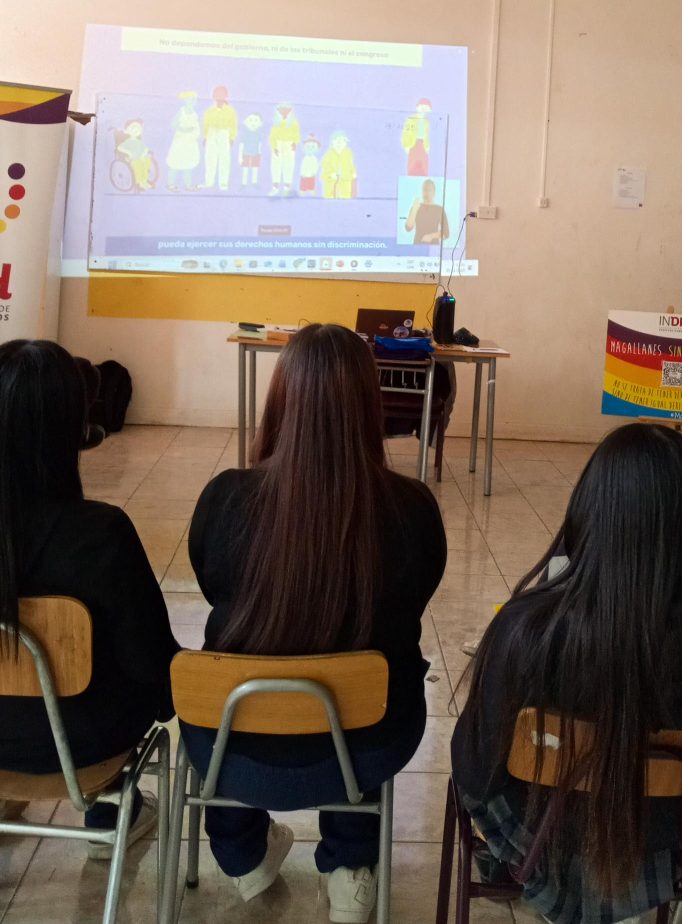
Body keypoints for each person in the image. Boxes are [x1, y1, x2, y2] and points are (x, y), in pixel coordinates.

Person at [452, 424, 682, 923]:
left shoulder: (531, 630)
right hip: (676, 843)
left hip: (543, 842)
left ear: (590, 511)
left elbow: (476, 765)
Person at [184, 323, 446, 923]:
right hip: (368, 747)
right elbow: (412, 605)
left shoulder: (224, 499)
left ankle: (241, 853)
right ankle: (353, 868)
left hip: (232, 745)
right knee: (378, 677)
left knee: (238, 670)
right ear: (368, 404)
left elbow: (212, 585)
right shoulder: (412, 509)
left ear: (281, 400)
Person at [0, 340, 179, 855]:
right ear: (71, 430)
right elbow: (150, 666)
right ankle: (111, 807)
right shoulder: (99, 534)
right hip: (84, 743)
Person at [404, 179, 450, 245]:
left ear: (434, 192)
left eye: (429, 190)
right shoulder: (416, 207)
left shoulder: (439, 209)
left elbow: (446, 233)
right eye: (424, 190)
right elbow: (408, 228)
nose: (426, 192)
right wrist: (414, 209)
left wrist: (431, 236)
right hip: (417, 246)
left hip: (433, 247)